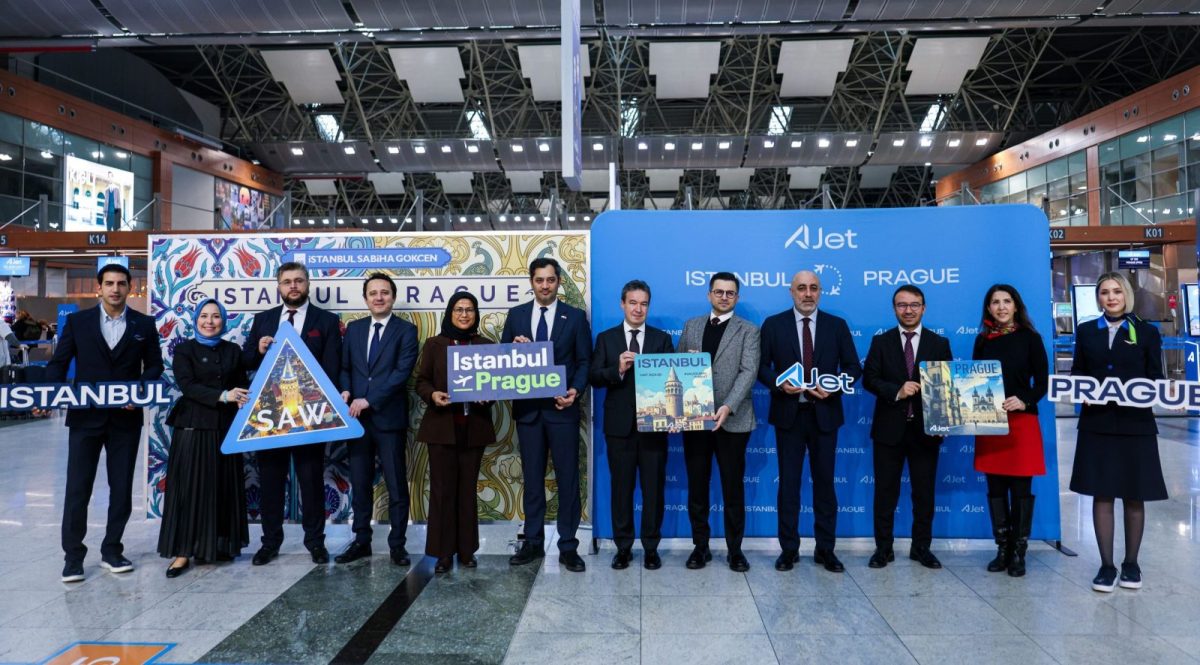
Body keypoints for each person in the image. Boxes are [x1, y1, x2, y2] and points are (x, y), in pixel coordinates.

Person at [46, 263, 164, 582]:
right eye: (109, 283)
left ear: (129, 288)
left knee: (121, 489)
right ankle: (73, 557)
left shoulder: (144, 324)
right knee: (77, 488)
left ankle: (112, 550)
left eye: (121, 283)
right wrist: (48, 395)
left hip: (125, 419)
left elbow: (155, 365)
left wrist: (138, 391)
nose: (115, 289)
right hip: (85, 419)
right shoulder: (78, 322)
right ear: (99, 288)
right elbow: (59, 363)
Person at [758, 270, 862, 573]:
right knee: (788, 485)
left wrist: (835, 386)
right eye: (802, 288)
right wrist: (778, 383)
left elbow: (854, 367)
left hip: (825, 416)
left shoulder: (836, 325)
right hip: (789, 416)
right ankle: (788, 550)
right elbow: (761, 367)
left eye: (813, 288)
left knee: (825, 485)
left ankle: (825, 549)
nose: (808, 293)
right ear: (791, 291)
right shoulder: (773, 324)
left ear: (820, 292)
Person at [1069, 272, 1167, 592]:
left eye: (1116, 292)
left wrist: (1160, 393)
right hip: (1097, 423)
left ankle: (1131, 564)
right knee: (1102, 492)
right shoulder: (1086, 331)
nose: (1111, 298)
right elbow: (1078, 371)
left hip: (1135, 424)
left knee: (1134, 493)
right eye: (1104, 292)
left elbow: (1155, 377)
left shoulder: (1146, 332)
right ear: (1098, 298)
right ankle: (1107, 566)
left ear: (1126, 295)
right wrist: (1081, 389)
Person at [241, 261, 342, 566]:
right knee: (271, 482)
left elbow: (332, 367)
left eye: (298, 281)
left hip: (310, 415)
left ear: (307, 284)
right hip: (271, 417)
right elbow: (246, 360)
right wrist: (258, 350)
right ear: (279, 286)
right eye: (287, 282)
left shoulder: (326, 321)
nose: (293, 286)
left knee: (311, 482)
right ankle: (270, 543)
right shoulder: (263, 320)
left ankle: (315, 543)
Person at [501, 258, 592, 573]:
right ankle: (533, 542)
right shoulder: (516, 316)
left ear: (558, 282)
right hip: (529, 412)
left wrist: (575, 391)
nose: (545, 285)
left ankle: (568, 545)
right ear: (532, 282)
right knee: (532, 480)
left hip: (562, 410)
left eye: (550, 280)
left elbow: (584, 361)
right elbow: (501, 361)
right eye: (539, 280)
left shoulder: (575, 317)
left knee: (568, 479)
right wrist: (513, 348)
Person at [862, 285, 953, 570]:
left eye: (914, 305)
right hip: (888, 430)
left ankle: (921, 548)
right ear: (894, 309)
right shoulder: (881, 342)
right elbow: (869, 379)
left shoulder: (939, 343)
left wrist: (943, 419)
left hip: (926, 431)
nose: (908, 310)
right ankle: (883, 549)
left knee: (924, 494)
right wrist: (897, 391)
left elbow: (946, 387)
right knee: (885, 493)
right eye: (902, 305)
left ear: (923, 308)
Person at [158, 299, 250, 577]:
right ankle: (182, 553)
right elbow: (188, 386)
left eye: (216, 316)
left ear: (224, 320)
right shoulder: (184, 350)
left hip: (225, 429)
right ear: (196, 319)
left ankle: (214, 547)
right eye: (204, 316)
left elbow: (242, 383)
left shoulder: (233, 350)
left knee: (220, 488)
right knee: (189, 490)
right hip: (193, 428)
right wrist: (224, 395)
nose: (210, 322)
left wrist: (240, 396)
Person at [677, 272, 760, 572]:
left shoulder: (749, 330)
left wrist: (728, 406)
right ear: (709, 294)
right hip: (696, 421)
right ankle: (700, 547)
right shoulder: (692, 326)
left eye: (730, 293)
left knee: (732, 489)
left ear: (737, 297)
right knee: (697, 487)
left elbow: (749, 372)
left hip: (732, 421)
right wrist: (677, 412)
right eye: (719, 292)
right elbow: (679, 366)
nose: (724, 297)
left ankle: (735, 551)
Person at [336, 273, 419, 566]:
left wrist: (368, 400)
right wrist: (346, 389)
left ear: (392, 297)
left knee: (396, 484)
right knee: (360, 484)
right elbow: (345, 367)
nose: (379, 297)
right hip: (357, 420)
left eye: (384, 292)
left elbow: (401, 374)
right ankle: (361, 541)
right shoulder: (354, 329)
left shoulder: (406, 331)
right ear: (366, 298)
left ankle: (398, 545)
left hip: (388, 418)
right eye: (373, 293)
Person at [590, 280, 674, 570]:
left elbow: (671, 379)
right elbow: (594, 376)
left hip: (655, 428)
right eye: (633, 303)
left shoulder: (662, 340)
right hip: (619, 429)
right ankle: (623, 548)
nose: (638, 309)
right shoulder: (606, 339)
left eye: (644, 304)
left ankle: (651, 548)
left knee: (654, 491)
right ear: (622, 304)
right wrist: (617, 369)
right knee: (621, 490)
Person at [415, 292, 495, 574]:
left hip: (474, 429)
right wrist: (432, 394)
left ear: (476, 314)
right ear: (450, 312)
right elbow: (422, 381)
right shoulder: (435, 345)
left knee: (467, 490)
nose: (464, 314)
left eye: (469, 309)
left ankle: (467, 550)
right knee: (442, 491)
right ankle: (443, 553)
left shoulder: (486, 346)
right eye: (459, 309)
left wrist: (489, 396)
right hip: (441, 429)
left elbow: (496, 384)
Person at [972, 284, 1049, 577]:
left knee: (1020, 489)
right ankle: (1002, 549)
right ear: (988, 308)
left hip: (1021, 422)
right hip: (989, 422)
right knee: (995, 488)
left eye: (1007, 301)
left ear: (1016, 306)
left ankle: (1018, 552)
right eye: (995, 302)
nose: (1001, 307)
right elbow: (974, 380)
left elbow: (1042, 382)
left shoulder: (1031, 338)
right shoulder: (982, 340)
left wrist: (1025, 399)